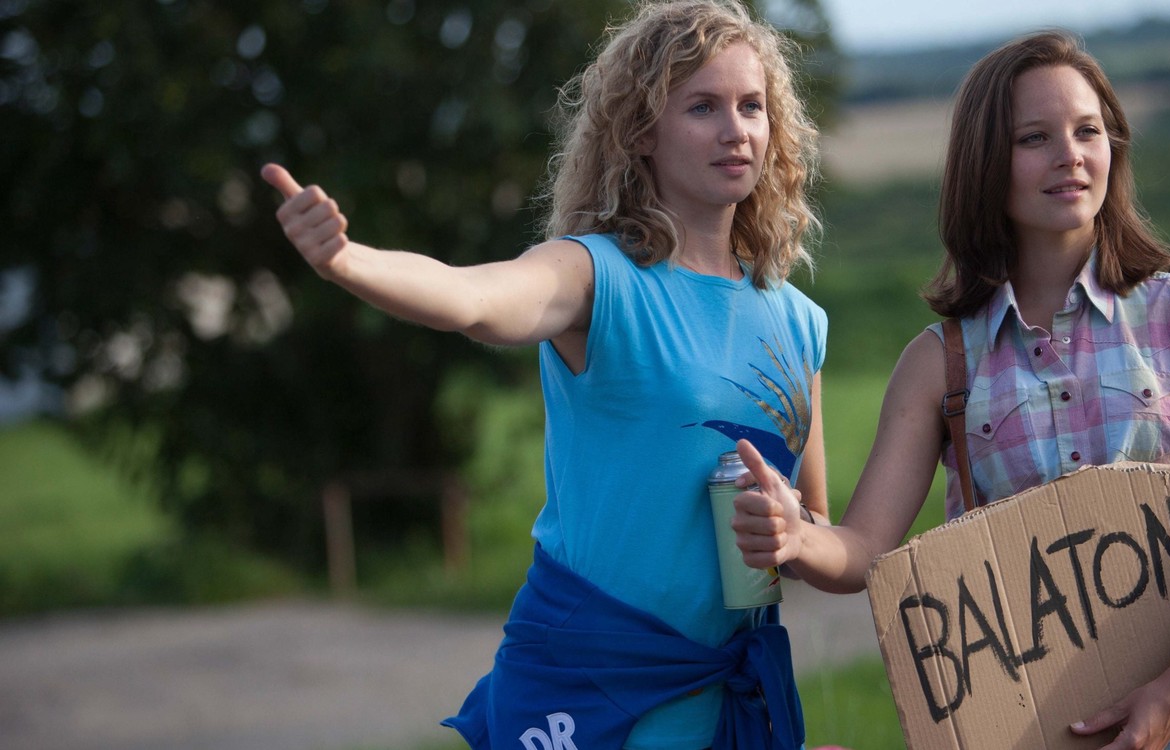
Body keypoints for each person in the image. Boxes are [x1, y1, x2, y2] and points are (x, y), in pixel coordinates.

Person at [261, 2, 829, 748]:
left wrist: (791, 529)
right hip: (590, 688)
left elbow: (817, 534)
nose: (736, 130)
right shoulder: (597, 274)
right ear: (641, 134)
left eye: (751, 106)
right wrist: (346, 262)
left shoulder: (798, 320)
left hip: (729, 696)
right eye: (703, 107)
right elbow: (474, 298)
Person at [732, 29, 1170, 750]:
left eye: (1088, 130)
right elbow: (864, 550)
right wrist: (797, 534)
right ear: (986, 166)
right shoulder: (937, 364)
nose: (1069, 154)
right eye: (1034, 137)